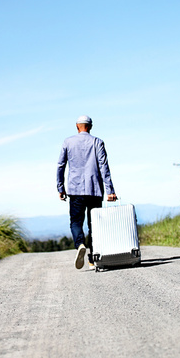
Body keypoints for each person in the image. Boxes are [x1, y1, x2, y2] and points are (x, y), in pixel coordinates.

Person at [57, 115, 117, 269]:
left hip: (75, 189)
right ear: (90, 127)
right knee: (94, 225)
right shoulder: (97, 142)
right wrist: (110, 190)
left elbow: (61, 166)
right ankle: (92, 259)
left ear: (77, 126)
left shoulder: (68, 142)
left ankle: (80, 245)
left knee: (76, 222)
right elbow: (104, 167)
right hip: (94, 189)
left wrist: (60, 188)